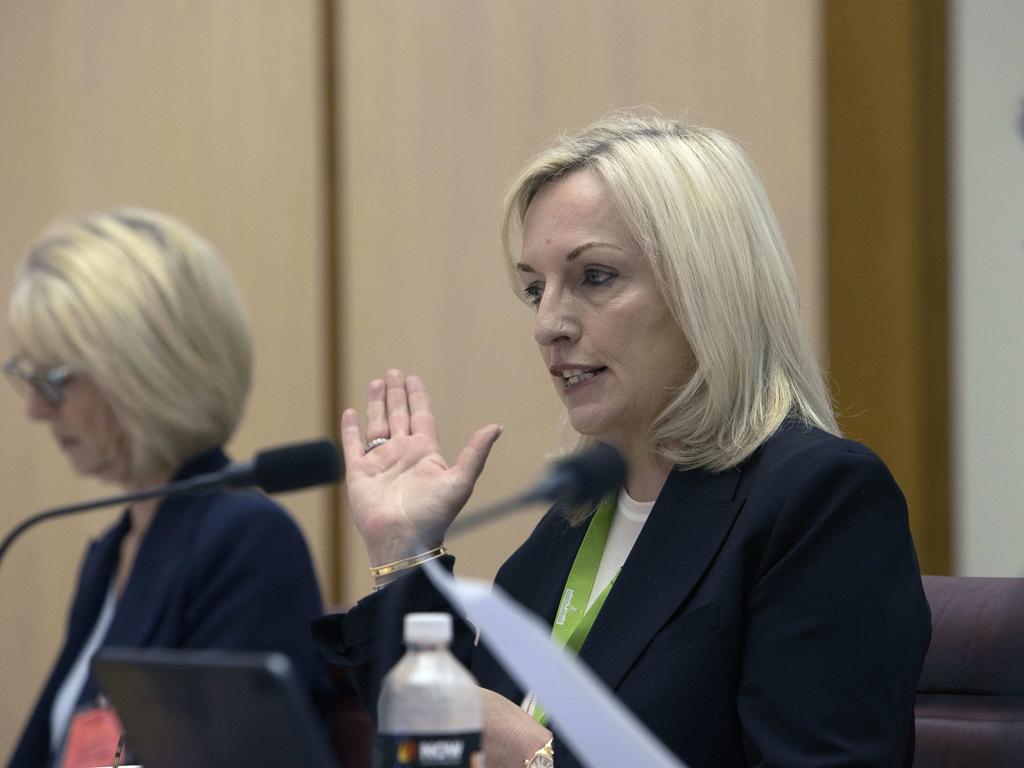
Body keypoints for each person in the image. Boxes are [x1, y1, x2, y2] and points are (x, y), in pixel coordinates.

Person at [313, 113, 931, 767]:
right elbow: (439, 745)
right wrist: (402, 549)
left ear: (707, 288)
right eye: (533, 289)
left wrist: (538, 755)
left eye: (595, 277)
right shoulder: (573, 522)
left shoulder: (817, 501)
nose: (548, 323)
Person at [5, 208, 329, 767]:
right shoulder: (112, 553)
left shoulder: (245, 543)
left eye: (53, 381)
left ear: (143, 371)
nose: (33, 408)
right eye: (25, 377)